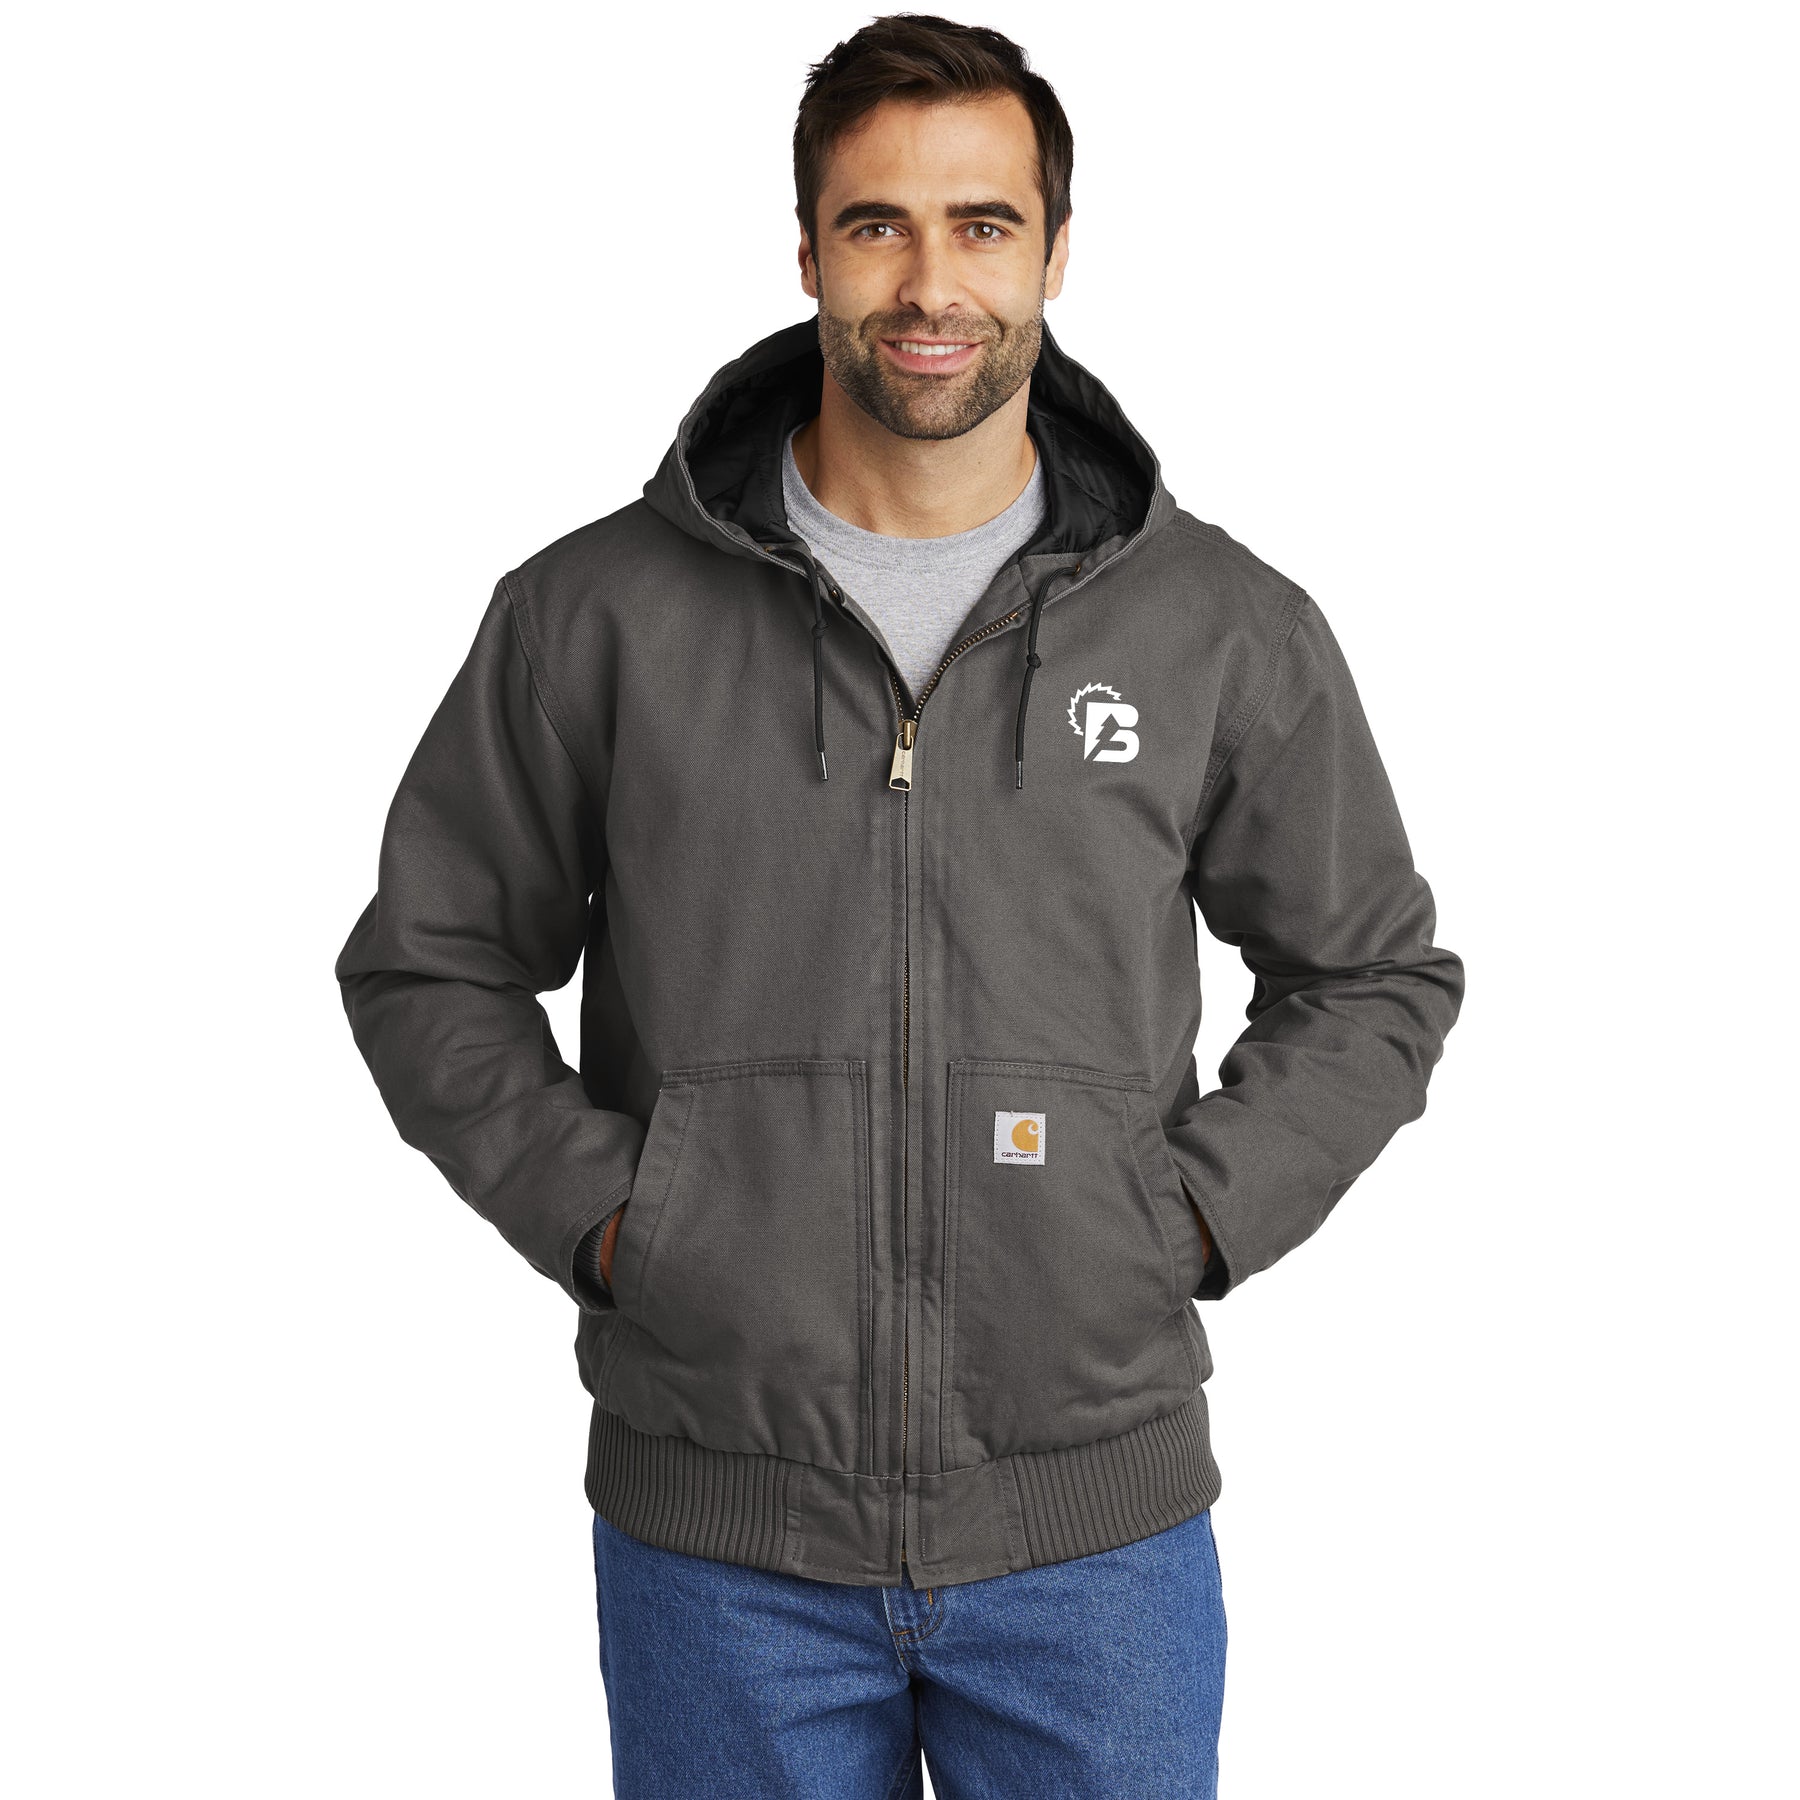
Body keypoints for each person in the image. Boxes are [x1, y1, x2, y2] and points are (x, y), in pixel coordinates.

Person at [333, 14, 1464, 1796]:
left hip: (1092, 1529)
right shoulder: (594, 616)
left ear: (1057, 251)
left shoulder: (1220, 628)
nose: (932, 284)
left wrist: (1181, 1218)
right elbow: (430, 963)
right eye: (878, 224)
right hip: (722, 1536)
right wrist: (620, 1222)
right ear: (807, 253)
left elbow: (1374, 973)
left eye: (983, 224)